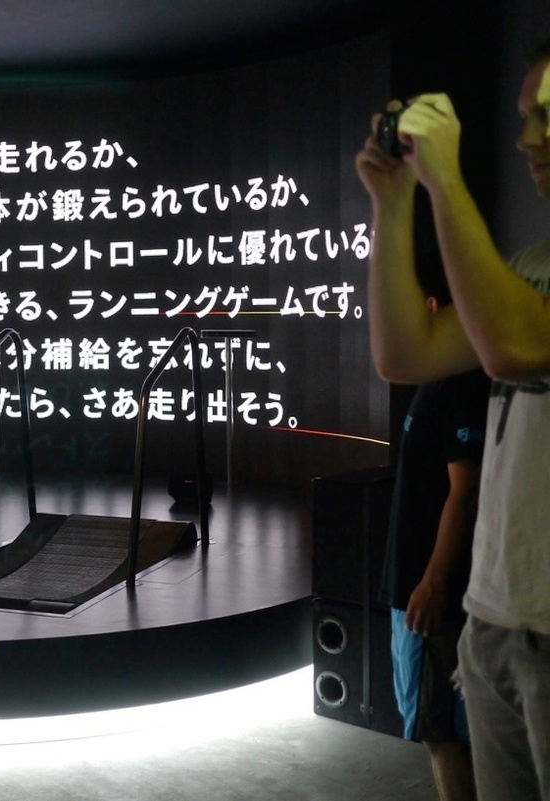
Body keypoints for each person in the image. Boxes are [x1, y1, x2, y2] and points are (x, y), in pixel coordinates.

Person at [356, 39, 550, 801]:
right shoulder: (533, 263)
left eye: (548, 116)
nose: (527, 137)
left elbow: (510, 348)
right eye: (526, 116)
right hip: (497, 616)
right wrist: (394, 202)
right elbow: (403, 354)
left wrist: (444, 181)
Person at [378, 265, 488, 801]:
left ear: (429, 309)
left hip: (432, 599)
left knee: (444, 738)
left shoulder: (463, 378)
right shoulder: (439, 378)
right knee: (441, 737)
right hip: (418, 590)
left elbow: (463, 489)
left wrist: (433, 581)